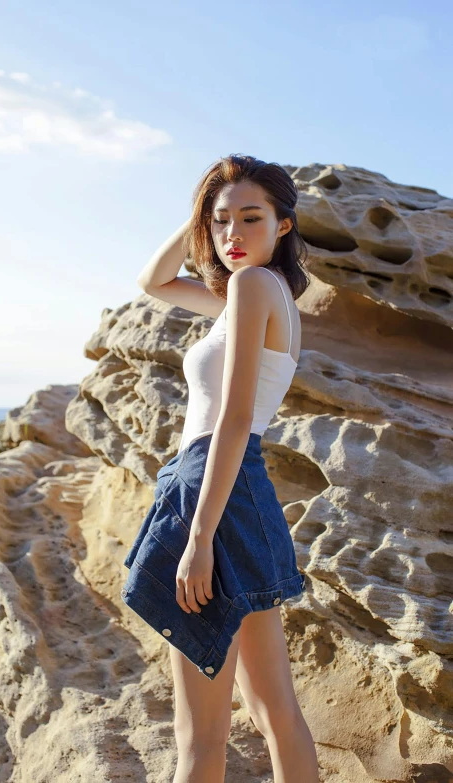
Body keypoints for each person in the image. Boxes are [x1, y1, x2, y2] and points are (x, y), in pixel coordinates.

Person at [122, 154, 319, 782]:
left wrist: (200, 538)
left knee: (200, 736)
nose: (233, 235)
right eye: (221, 221)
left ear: (284, 224)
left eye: (251, 219)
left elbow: (234, 420)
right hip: (237, 489)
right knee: (272, 708)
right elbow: (153, 281)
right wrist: (198, 217)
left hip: (215, 490)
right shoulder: (265, 296)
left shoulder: (251, 288)